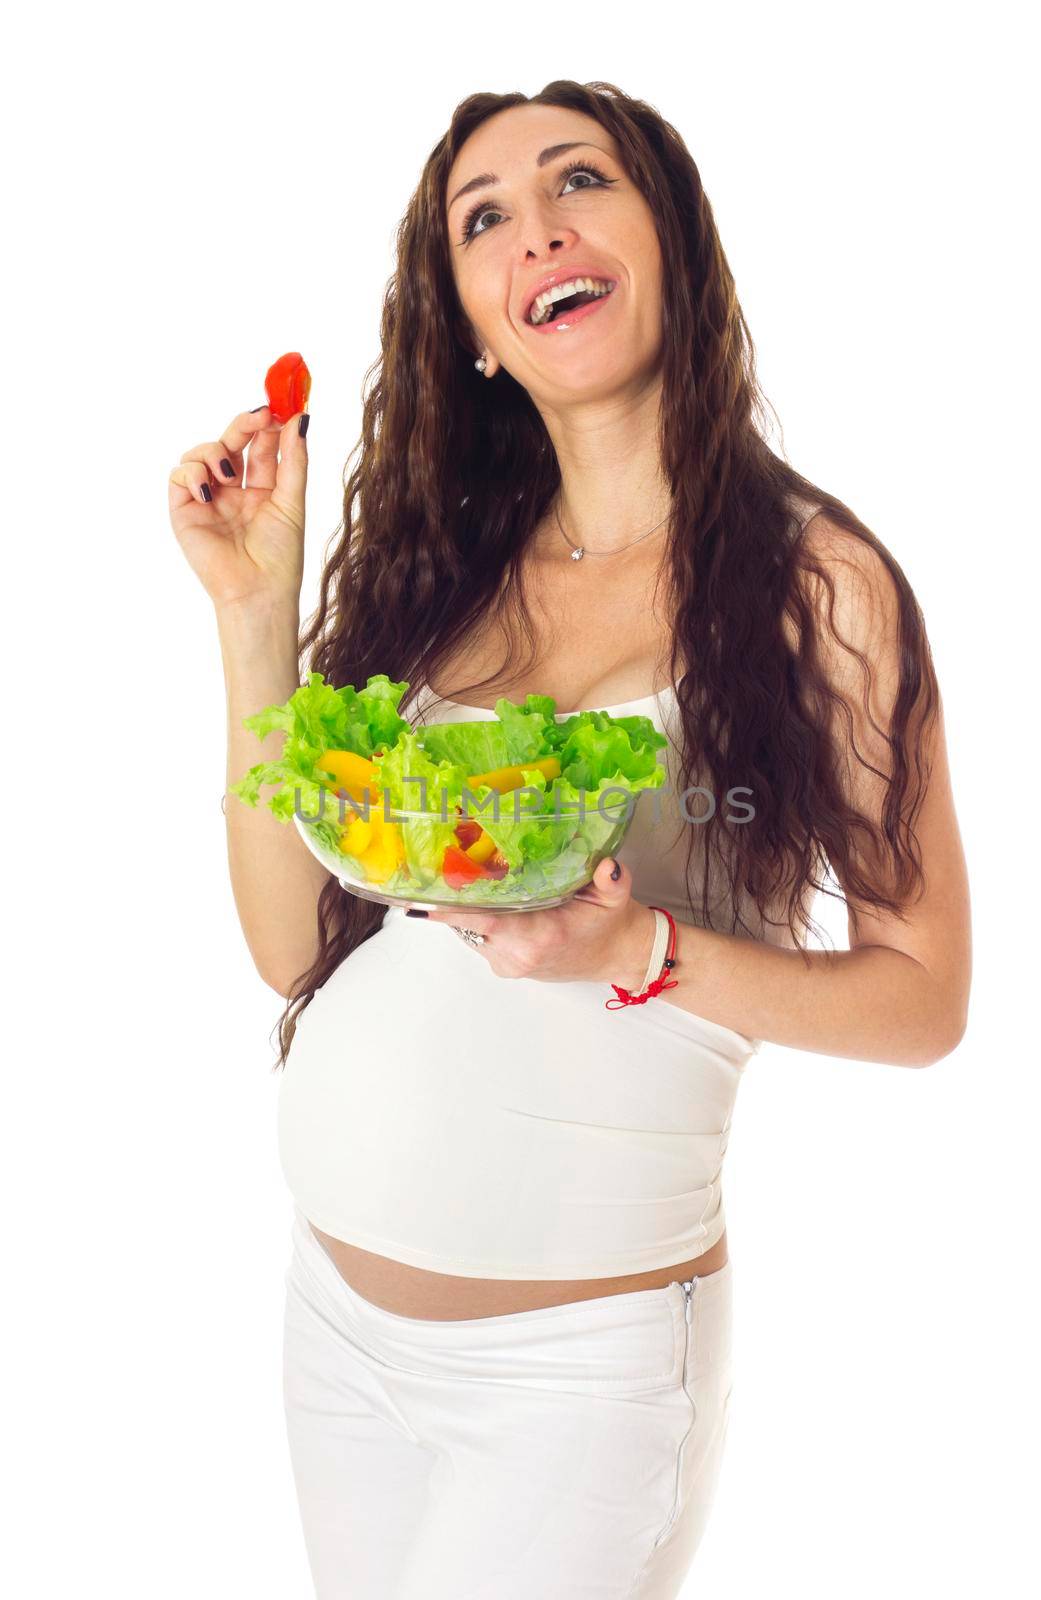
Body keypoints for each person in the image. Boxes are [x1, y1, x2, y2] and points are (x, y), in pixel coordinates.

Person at [168, 79, 971, 1600]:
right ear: (471, 320)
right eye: (485, 219)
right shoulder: (447, 575)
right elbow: (294, 947)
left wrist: (653, 950)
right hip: (333, 1324)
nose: (536, 230)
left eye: (578, 182)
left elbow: (924, 999)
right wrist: (252, 611)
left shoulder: (821, 588)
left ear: (667, 240)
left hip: (580, 1375)